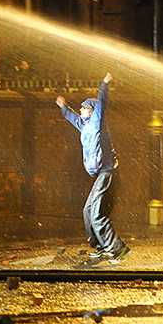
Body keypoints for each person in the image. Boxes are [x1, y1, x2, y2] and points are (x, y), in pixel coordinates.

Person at [55, 72, 130, 264]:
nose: (81, 109)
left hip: (108, 172)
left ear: (92, 110)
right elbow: (72, 117)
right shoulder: (85, 125)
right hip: (100, 175)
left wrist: (104, 84)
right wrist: (64, 106)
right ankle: (99, 247)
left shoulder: (97, 123)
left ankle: (117, 249)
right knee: (87, 211)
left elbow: (102, 104)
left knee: (97, 213)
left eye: (84, 107)